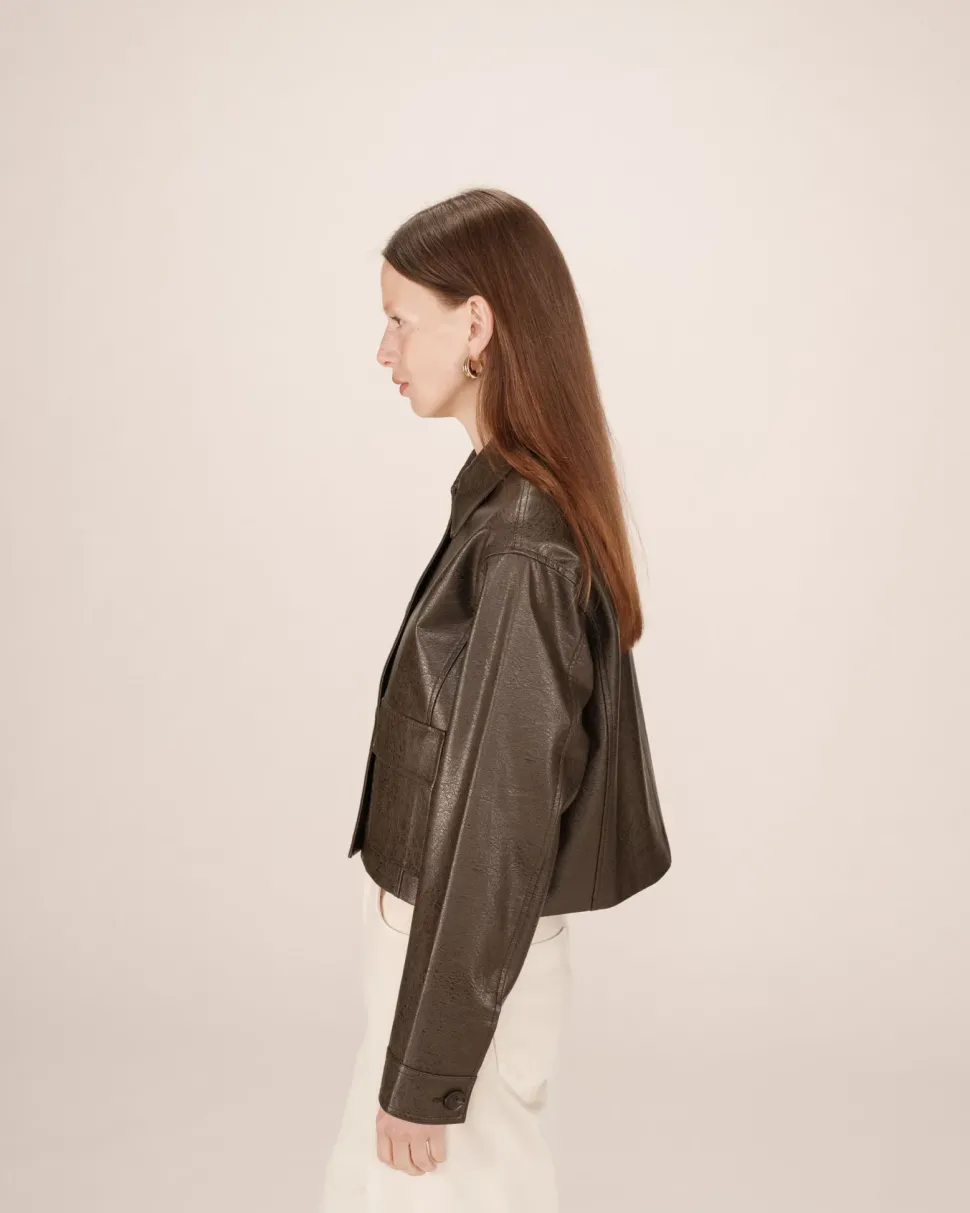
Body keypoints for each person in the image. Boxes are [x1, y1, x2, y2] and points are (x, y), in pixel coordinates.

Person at [318, 187, 672, 1212]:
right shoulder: (501, 506)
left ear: (475, 324)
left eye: (400, 320)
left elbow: (497, 824)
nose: (384, 351)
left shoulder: (520, 542)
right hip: (442, 955)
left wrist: (427, 1072)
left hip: (455, 964)